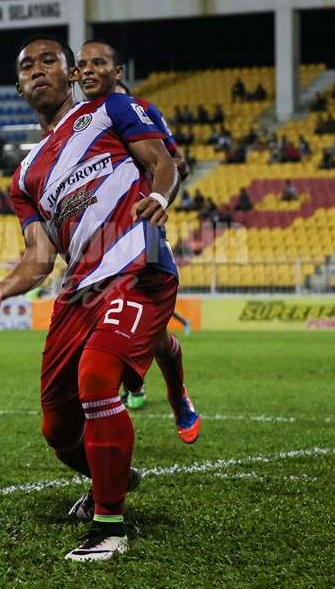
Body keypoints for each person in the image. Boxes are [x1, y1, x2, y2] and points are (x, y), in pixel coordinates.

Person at [0, 35, 198, 562]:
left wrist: (159, 196)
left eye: (51, 60)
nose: (39, 70)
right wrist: (1, 287)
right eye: (28, 66)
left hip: (138, 269)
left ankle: (108, 526)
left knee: (97, 378)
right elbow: (39, 257)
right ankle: (113, 475)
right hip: (79, 290)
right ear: (20, 87)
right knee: (56, 427)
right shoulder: (24, 178)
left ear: (71, 73)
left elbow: (162, 161)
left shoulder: (111, 110)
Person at [74, 39, 194, 417]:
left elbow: (175, 162)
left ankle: (174, 394)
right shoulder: (76, 122)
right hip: (99, 239)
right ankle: (131, 388)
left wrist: (151, 188)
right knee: (104, 325)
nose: (90, 71)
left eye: (99, 65)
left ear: (117, 77)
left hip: (141, 230)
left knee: (153, 336)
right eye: (84, 65)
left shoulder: (141, 110)